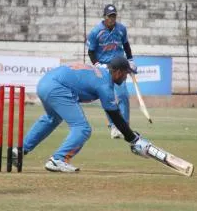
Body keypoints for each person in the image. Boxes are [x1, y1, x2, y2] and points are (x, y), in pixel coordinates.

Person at [12, 57, 151, 172]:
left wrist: (131, 137)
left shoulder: (101, 72)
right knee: (82, 128)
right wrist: (133, 139)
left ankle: (19, 151)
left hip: (45, 83)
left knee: (52, 118)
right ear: (118, 72)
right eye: (126, 74)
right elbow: (115, 116)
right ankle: (58, 159)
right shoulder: (105, 85)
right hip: (57, 87)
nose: (125, 77)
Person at [87, 4, 137, 139]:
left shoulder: (121, 29)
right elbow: (91, 52)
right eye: (110, 16)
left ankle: (124, 127)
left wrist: (131, 60)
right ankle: (114, 127)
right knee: (108, 97)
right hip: (105, 68)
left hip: (120, 66)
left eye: (114, 16)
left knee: (123, 96)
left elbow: (126, 45)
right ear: (104, 17)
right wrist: (97, 65)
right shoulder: (95, 32)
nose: (112, 19)